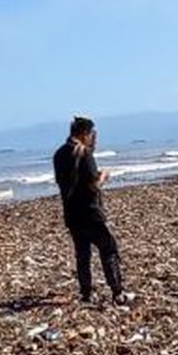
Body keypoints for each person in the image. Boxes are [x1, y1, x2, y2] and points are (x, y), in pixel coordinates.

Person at [52, 116, 128, 305]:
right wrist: (104, 176)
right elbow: (93, 185)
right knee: (108, 249)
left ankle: (86, 293)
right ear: (85, 133)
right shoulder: (84, 153)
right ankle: (117, 291)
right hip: (91, 211)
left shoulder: (58, 154)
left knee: (82, 254)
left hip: (71, 212)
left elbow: (63, 182)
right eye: (91, 134)